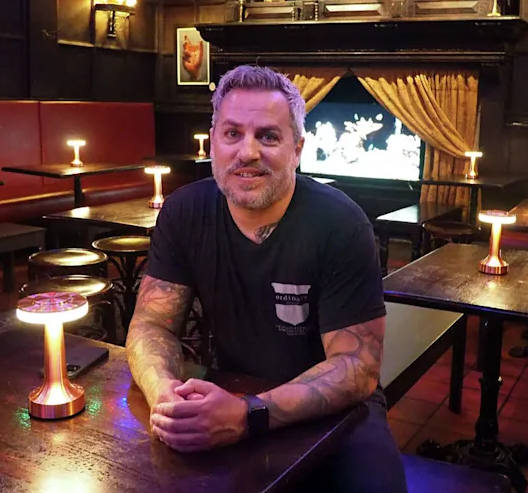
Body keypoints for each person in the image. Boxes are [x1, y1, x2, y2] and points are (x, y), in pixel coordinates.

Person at [126, 64, 407, 492]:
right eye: (233, 134)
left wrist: (249, 414)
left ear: (297, 149)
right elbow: (151, 324)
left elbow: (357, 367)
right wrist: (164, 393)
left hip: (339, 410)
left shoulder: (340, 222)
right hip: (233, 389)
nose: (248, 152)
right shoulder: (183, 212)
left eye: (268, 136)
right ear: (214, 141)